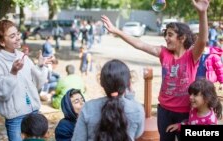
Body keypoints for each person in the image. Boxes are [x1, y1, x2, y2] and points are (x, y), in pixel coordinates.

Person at [101, 1, 210, 141]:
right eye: (166, 34)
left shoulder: (191, 55)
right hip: (164, 110)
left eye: (170, 35)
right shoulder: (163, 53)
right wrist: (116, 31)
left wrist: (202, 12)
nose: (166, 38)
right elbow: (140, 44)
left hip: (186, 111)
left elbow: (202, 39)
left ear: (182, 38)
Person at [0, 20, 50, 141]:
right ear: (2, 42)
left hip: (34, 113)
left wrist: (41, 66)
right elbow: (1, 93)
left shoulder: (21, 56)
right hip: (16, 118)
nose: (18, 38)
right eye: (12, 36)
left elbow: (37, 85)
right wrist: (13, 72)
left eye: (18, 34)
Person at [72, 59, 145, 141]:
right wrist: (131, 96)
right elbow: (138, 133)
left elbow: (78, 138)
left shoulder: (88, 108)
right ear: (128, 83)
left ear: (101, 83)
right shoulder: (137, 109)